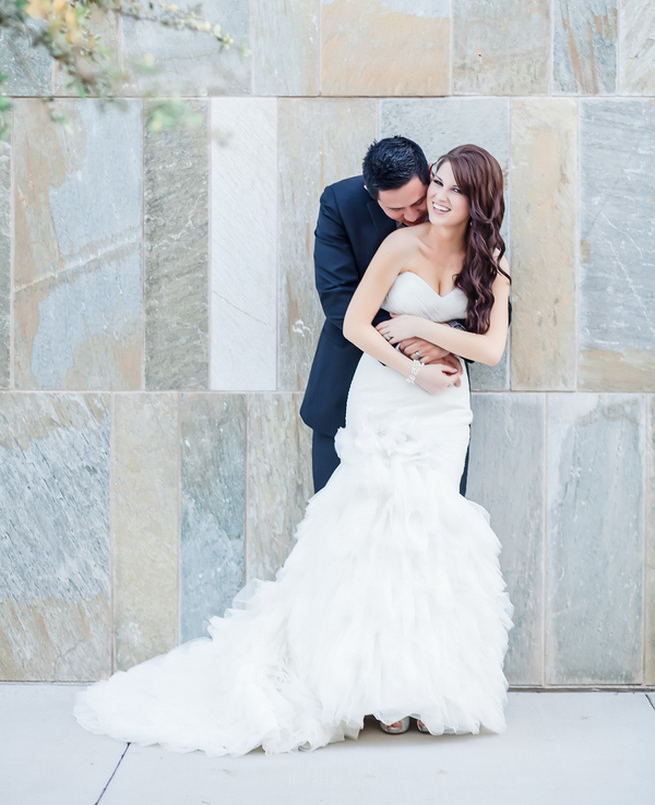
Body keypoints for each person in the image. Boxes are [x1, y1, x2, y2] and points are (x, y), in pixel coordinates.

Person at [74, 144, 512, 755]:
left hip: (445, 414)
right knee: (370, 537)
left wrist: (423, 330)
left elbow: (490, 349)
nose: (432, 200)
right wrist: (414, 366)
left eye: (447, 189)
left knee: (430, 542)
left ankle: (423, 687)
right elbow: (357, 323)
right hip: (389, 396)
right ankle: (372, 690)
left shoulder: (488, 255)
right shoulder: (394, 245)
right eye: (432, 184)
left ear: (477, 201)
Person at [301, 135, 464, 494]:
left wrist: (445, 336)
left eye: (417, 201)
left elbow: (496, 310)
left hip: (434, 406)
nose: (411, 216)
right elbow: (338, 302)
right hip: (347, 394)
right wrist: (414, 350)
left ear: (431, 175)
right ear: (369, 192)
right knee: (344, 531)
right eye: (394, 210)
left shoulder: (457, 210)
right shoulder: (340, 204)